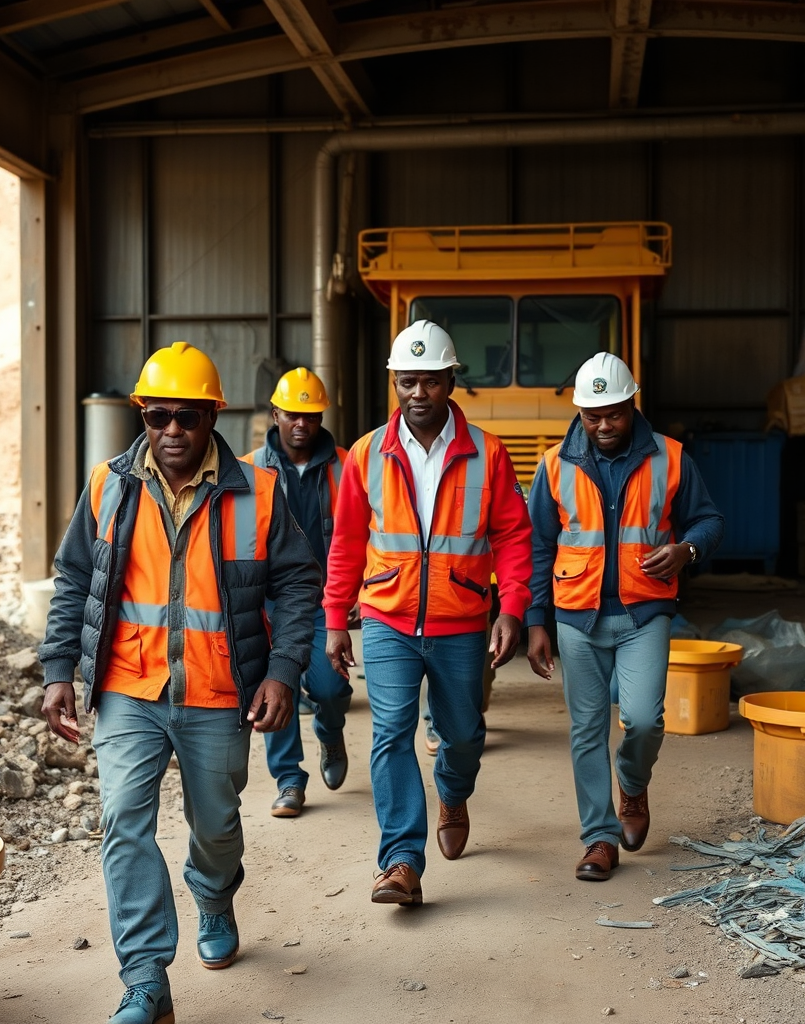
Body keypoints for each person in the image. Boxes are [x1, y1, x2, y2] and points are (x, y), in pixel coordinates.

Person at [38, 342, 320, 1024]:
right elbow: (75, 575)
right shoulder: (109, 484)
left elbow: (298, 581)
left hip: (218, 693)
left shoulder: (258, 492)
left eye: (185, 418)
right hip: (129, 689)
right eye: (157, 416)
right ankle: (145, 979)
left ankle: (214, 893)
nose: (170, 432)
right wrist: (56, 671)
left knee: (217, 825)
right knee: (122, 823)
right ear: (143, 415)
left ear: (211, 418)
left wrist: (283, 672)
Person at [323, 319, 533, 907]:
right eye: (407, 381)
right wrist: (336, 617)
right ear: (395, 382)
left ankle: (454, 791)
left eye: (431, 381)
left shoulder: (487, 453)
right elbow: (344, 544)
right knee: (390, 735)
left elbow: (514, 535)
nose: (419, 393)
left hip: (462, 618)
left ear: (450, 382)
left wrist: (511, 607)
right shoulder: (366, 454)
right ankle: (400, 863)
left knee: (462, 736)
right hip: (388, 618)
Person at [525, 352, 723, 882]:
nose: (605, 425)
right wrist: (535, 620)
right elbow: (538, 546)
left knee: (642, 719)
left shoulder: (671, 457)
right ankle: (599, 839)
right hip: (576, 617)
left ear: (632, 404)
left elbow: (708, 519)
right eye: (594, 416)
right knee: (586, 729)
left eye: (614, 413)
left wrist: (686, 550)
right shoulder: (553, 465)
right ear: (579, 412)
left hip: (645, 612)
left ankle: (632, 784)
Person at [241, 367, 353, 817]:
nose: (302, 423)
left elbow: (363, 531)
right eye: (292, 414)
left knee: (328, 687)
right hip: (269, 601)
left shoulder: (347, 465)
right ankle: (288, 779)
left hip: (327, 597)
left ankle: (331, 731)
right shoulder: (248, 470)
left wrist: (356, 590)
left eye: (311, 414)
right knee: (274, 688)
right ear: (275, 414)